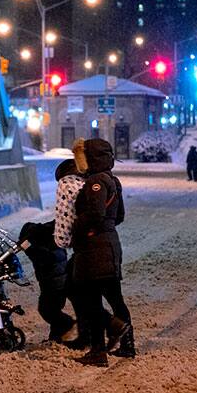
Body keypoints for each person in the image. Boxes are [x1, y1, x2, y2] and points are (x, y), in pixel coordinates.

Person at [55, 139, 134, 367]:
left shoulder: (95, 182)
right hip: (109, 245)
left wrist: (76, 225)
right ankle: (128, 346)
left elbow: (95, 214)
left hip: (93, 249)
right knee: (116, 299)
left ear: (91, 158)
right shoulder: (112, 180)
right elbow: (118, 216)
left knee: (89, 301)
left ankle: (98, 351)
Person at [19, 217, 77, 343]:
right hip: (58, 279)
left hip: (53, 282)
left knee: (46, 309)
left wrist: (28, 249)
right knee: (53, 307)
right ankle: (56, 336)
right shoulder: (52, 238)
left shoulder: (40, 248)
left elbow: (44, 258)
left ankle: (67, 324)